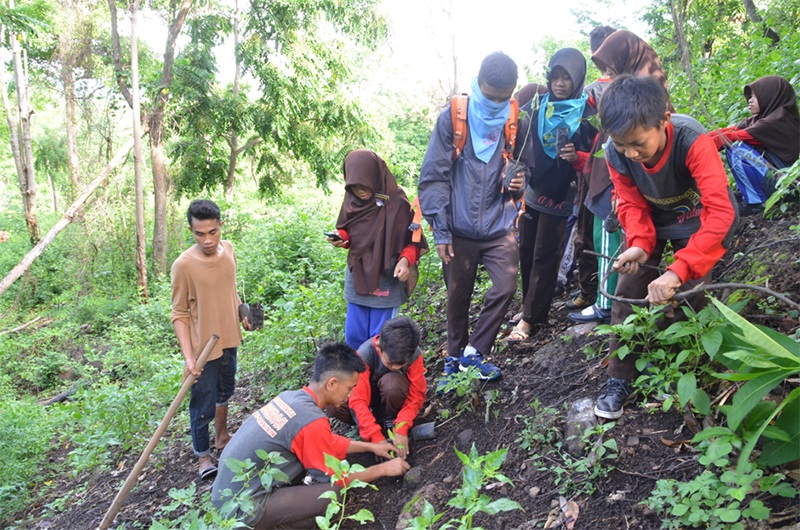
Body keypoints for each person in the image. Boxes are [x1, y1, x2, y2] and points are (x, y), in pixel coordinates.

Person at [593, 75, 738, 419]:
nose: (631, 153)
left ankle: (680, 373)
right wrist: (640, 245)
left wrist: (679, 269)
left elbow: (720, 212)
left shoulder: (691, 139)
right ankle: (620, 377)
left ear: (663, 122)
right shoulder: (617, 152)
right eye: (622, 144)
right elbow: (630, 203)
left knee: (691, 293)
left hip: (698, 217)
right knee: (628, 290)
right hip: (653, 219)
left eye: (638, 143)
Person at [418, 51, 533, 380]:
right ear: (478, 84)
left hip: (499, 225)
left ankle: (475, 353)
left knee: (506, 286)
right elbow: (434, 177)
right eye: (490, 97)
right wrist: (440, 229)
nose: (496, 104)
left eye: (504, 97)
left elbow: (527, 165)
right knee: (458, 296)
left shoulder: (515, 120)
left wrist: (520, 176)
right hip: (458, 228)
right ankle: (454, 359)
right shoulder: (454, 118)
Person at [211, 342, 409, 530]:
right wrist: (383, 469)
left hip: (226, 498)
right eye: (349, 388)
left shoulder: (291, 398)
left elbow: (324, 442)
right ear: (331, 383)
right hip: (243, 510)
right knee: (334, 494)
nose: (350, 395)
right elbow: (336, 480)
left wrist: (371, 447)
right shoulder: (311, 421)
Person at [569, 29, 674, 323]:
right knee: (632, 252)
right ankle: (624, 319)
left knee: (614, 236)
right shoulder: (620, 149)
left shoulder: (648, 97)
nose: (608, 75)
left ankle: (610, 305)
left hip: (656, 193)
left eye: (613, 69)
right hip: (626, 184)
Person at [507, 48, 597, 342]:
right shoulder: (537, 108)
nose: (559, 84)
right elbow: (520, 145)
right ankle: (528, 305)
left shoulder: (584, 118)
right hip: (533, 191)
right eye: (555, 77)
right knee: (527, 251)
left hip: (561, 196)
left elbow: (596, 160)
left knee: (546, 254)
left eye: (567, 78)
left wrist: (576, 157)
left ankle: (532, 319)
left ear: (578, 80)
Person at [171, 199, 252, 479]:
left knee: (224, 392)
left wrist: (243, 313)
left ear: (221, 226)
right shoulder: (183, 265)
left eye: (212, 232)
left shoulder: (229, 250)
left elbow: (231, 291)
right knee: (202, 403)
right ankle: (203, 457)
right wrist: (189, 357)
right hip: (203, 348)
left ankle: (222, 437)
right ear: (191, 231)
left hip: (229, 338)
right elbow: (179, 314)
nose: (207, 240)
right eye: (199, 234)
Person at [328, 150, 427, 350]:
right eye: (353, 186)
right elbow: (350, 232)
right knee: (354, 337)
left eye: (363, 185)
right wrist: (341, 238)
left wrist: (404, 261)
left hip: (387, 277)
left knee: (380, 340)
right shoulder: (352, 202)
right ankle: (358, 380)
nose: (359, 191)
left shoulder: (397, 202)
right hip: (358, 275)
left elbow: (414, 240)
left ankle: (378, 379)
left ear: (375, 176)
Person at [327, 316, 425, 459]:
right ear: (379, 348)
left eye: (401, 364)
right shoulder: (364, 355)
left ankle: (390, 422)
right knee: (335, 404)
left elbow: (417, 394)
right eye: (390, 363)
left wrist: (402, 427)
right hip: (369, 399)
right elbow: (358, 399)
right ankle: (369, 425)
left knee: (392, 384)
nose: (396, 367)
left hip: (392, 397)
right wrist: (375, 437)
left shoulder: (414, 354)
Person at [709, 75, 800, 216]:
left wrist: (695, 145)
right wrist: (700, 135)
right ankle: (751, 196)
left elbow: (731, 137)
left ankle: (756, 203)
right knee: (736, 146)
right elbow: (731, 130)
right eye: (749, 96)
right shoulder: (764, 118)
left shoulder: (777, 122)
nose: (749, 100)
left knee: (736, 148)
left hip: (787, 186)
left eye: (755, 96)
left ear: (769, 96)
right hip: (778, 181)